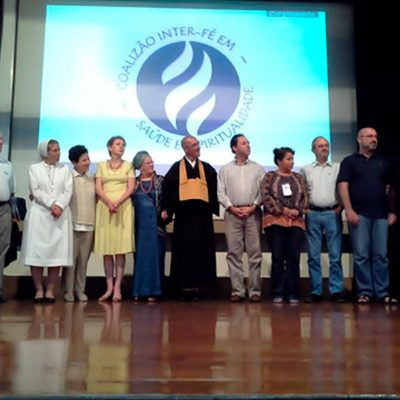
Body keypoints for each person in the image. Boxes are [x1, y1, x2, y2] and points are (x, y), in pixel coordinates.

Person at [337, 127, 396, 304]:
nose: (374, 139)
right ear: (359, 139)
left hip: (381, 215)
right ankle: (364, 292)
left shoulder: (383, 162)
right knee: (361, 255)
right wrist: (348, 209)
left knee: (381, 256)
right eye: (369, 136)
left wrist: (392, 211)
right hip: (359, 213)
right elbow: (343, 186)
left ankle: (382, 292)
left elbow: (389, 188)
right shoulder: (349, 161)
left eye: (375, 136)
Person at [163, 136, 219, 301]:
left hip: (202, 219)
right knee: (184, 253)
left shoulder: (207, 168)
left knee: (203, 253)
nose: (198, 147)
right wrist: (169, 209)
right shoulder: (176, 168)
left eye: (198, 144)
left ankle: (203, 287)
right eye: (194, 145)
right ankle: (183, 288)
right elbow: (168, 189)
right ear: (185, 149)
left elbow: (213, 189)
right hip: (184, 219)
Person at [21, 139, 73, 303]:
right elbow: (35, 190)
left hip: (59, 215)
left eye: (59, 150)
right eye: (55, 150)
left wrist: (59, 205)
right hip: (40, 213)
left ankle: (50, 290)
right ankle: (38, 289)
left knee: (55, 254)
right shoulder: (34, 168)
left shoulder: (65, 169)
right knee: (36, 253)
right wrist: (51, 204)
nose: (58, 153)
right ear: (46, 152)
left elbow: (68, 190)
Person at [217, 134, 265, 303]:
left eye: (248, 143)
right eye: (244, 143)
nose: (248, 145)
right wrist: (231, 207)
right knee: (233, 253)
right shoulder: (225, 169)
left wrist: (254, 206)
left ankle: (254, 291)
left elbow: (263, 191)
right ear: (234, 148)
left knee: (255, 253)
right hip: (232, 213)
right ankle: (237, 290)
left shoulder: (258, 169)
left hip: (253, 213)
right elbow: (220, 193)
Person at [299, 137, 345, 303]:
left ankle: (336, 290)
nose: (324, 148)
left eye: (326, 145)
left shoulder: (338, 167)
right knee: (313, 256)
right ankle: (316, 290)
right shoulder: (305, 169)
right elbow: (301, 191)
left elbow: (344, 188)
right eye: (320, 146)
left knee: (335, 255)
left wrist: (341, 207)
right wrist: (305, 209)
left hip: (332, 213)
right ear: (313, 150)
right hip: (313, 214)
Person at [261, 147, 309, 303]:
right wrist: (282, 210)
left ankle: (293, 292)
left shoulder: (298, 177)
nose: (292, 162)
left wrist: (298, 210)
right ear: (279, 161)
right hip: (275, 221)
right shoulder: (270, 176)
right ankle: (278, 292)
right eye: (288, 159)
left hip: (296, 222)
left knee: (293, 258)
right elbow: (266, 196)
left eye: (292, 159)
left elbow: (306, 196)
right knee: (278, 257)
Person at [94, 136, 134, 302]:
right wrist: (109, 202)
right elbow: (98, 187)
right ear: (110, 147)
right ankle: (109, 287)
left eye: (123, 144)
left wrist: (117, 202)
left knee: (120, 249)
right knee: (107, 249)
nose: (121, 147)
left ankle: (118, 287)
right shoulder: (101, 165)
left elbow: (130, 188)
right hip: (105, 206)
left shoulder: (129, 165)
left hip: (123, 207)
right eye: (118, 144)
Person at [131, 151, 170, 302]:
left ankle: (154, 291)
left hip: (156, 226)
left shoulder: (161, 180)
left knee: (156, 257)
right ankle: (139, 290)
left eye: (152, 162)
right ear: (140, 166)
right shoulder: (134, 183)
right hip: (140, 227)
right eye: (147, 163)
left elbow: (167, 200)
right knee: (141, 258)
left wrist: (166, 211)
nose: (151, 165)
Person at [62, 145, 95, 302]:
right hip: (72, 224)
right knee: (70, 261)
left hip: (89, 224)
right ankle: (68, 290)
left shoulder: (93, 178)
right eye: (84, 160)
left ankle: (79, 290)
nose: (88, 162)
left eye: (88, 159)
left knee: (83, 261)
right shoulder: (68, 178)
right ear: (74, 162)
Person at [0, 132, 15, 303]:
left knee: (2, 250)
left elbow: (11, 191)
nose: (1, 142)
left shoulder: (7, 165)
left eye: (2, 139)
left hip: (4, 208)